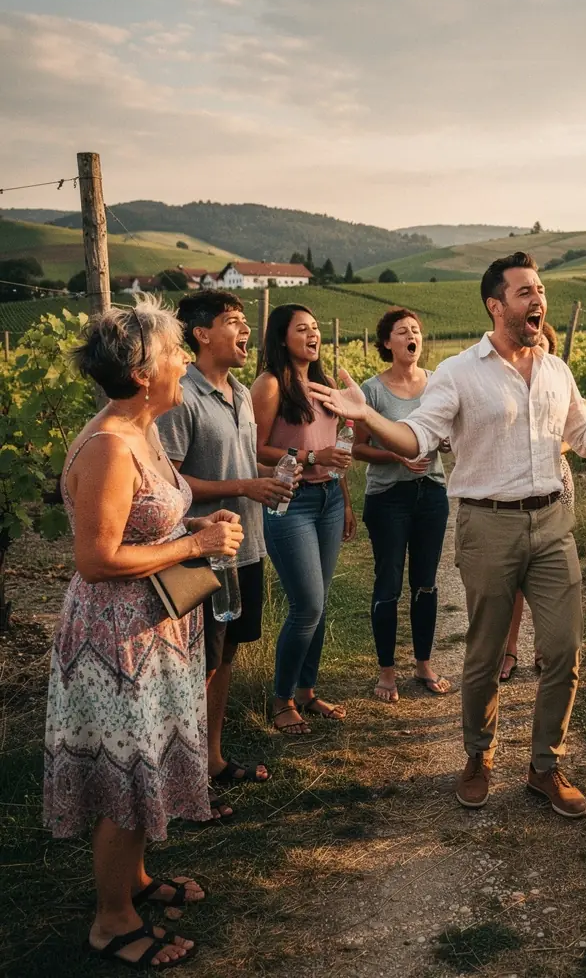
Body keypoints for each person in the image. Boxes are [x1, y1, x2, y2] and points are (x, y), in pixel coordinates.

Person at [307, 252, 586, 819]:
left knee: (562, 648)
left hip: (553, 520)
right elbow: (417, 438)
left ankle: (544, 765)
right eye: (526, 292)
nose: (539, 300)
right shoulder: (460, 371)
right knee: (485, 652)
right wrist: (370, 417)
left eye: (541, 290)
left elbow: (585, 437)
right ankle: (479, 756)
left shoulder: (555, 369)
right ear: (496, 304)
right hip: (487, 522)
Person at [44, 296, 244, 968]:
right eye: (173, 352)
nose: (184, 358)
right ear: (140, 373)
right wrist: (195, 547)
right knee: (125, 778)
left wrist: (190, 530)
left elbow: (145, 522)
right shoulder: (108, 445)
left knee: (146, 765)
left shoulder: (143, 431)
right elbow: (96, 561)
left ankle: (134, 883)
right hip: (115, 639)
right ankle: (113, 920)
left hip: (153, 626)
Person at [158, 292, 296, 814]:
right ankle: (185, 781)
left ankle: (211, 761)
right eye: (233, 322)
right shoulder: (182, 397)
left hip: (245, 548)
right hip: (201, 552)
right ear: (201, 334)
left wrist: (268, 480)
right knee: (200, 665)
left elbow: (236, 465)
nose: (245, 331)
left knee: (227, 657)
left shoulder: (239, 392)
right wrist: (244, 483)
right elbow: (168, 479)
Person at [251, 304, 357, 736]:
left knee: (321, 600)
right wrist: (310, 457)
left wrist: (345, 499)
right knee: (307, 605)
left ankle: (307, 691)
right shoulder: (269, 384)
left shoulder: (323, 383)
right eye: (302, 329)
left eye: (316, 328)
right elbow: (256, 449)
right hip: (290, 501)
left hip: (328, 497)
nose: (313, 335)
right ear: (281, 338)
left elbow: (337, 449)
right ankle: (281, 699)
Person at [354, 308, 451, 703]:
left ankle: (424, 664)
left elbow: (447, 434)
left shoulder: (438, 385)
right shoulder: (371, 391)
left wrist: (445, 443)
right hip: (388, 499)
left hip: (431, 493)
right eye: (402, 331)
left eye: (415, 330)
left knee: (426, 584)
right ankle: (387, 672)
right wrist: (398, 457)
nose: (412, 335)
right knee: (389, 584)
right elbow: (359, 446)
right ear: (387, 343)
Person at [500, 321, 574, 681]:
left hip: (557, 479)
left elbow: (573, 435)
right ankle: (509, 648)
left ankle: (545, 649)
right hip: (517, 485)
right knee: (515, 577)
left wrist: (546, 445)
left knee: (551, 575)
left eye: (544, 345)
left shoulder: (559, 383)